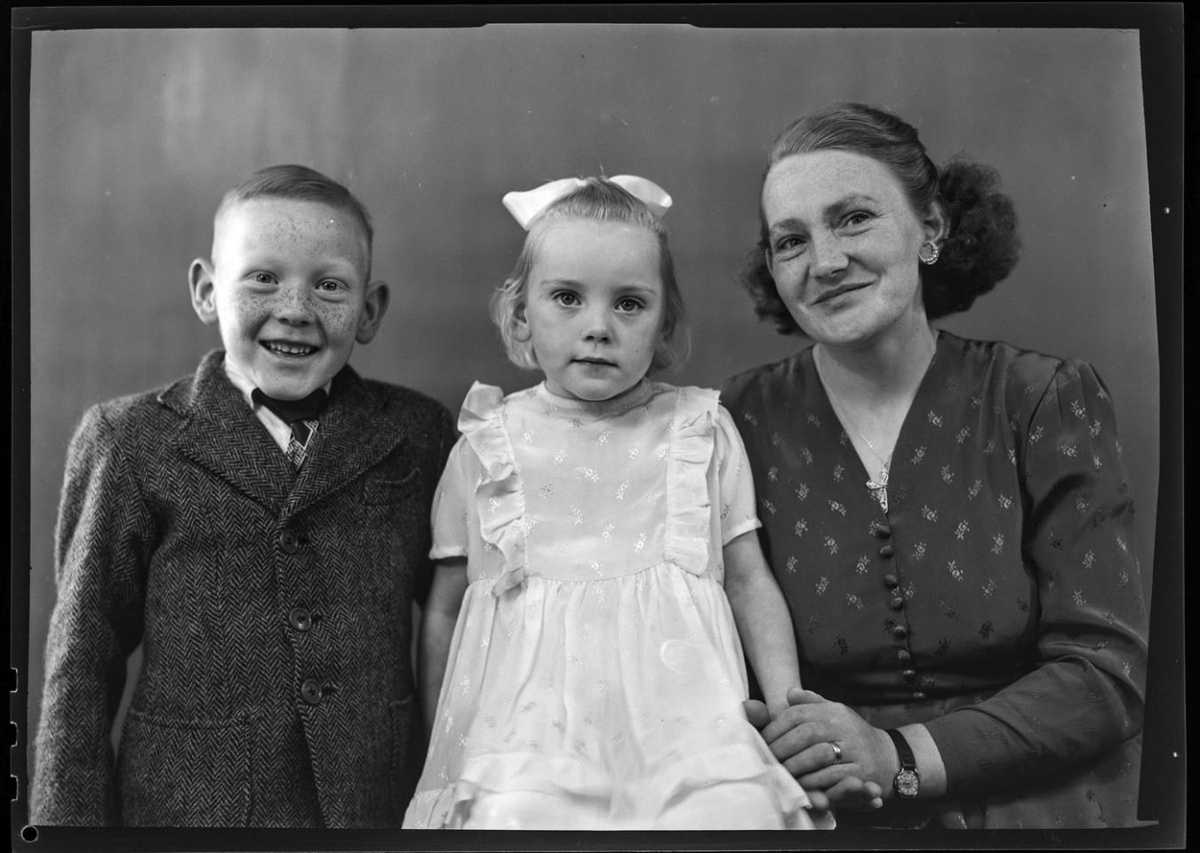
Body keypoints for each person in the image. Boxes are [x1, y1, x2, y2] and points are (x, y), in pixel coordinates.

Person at [722, 102, 1149, 829]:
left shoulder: (1039, 399)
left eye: (855, 219)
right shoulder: (736, 421)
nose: (825, 261)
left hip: (1035, 804)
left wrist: (898, 755)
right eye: (791, 241)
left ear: (933, 228)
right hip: (831, 808)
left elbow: (1107, 672)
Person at [30, 165, 456, 827]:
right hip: (190, 819)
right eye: (263, 277)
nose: (295, 309)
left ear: (370, 311)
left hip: (376, 812)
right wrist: (67, 836)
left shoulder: (417, 433)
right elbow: (81, 662)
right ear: (206, 291)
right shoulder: (129, 440)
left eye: (330, 285)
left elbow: (459, 620)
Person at [403, 175, 834, 830]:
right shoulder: (488, 445)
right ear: (521, 315)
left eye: (630, 304)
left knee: (729, 814)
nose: (598, 327)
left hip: (685, 725)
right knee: (520, 817)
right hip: (527, 735)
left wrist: (786, 713)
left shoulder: (700, 431)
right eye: (567, 298)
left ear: (665, 325)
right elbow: (447, 605)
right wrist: (445, 745)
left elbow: (748, 581)